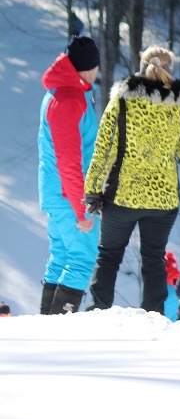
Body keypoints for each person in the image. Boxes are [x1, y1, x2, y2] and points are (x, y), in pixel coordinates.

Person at [84, 46, 180, 313]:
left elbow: (104, 148)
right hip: (164, 200)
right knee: (154, 259)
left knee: (109, 256)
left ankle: (98, 312)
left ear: (141, 66)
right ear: (171, 69)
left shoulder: (123, 100)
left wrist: (92, 189)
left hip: (122, 195)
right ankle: (155, 318)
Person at [37, 36, 100, 314]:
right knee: (81, 259)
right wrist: (82, 208)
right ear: (89, 67)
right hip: (68, 195)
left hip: (59, 192)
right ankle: (58, 332)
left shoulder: (67, 92)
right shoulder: (69, 98)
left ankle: (45, 328)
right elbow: (68, 160)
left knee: (62, 256)